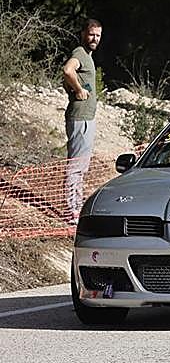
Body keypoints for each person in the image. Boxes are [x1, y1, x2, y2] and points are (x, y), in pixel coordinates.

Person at [62, 19, 102, 223]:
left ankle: (75, 205)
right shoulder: (79, 53)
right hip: (80, 117)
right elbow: (67, 70)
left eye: (98, 35)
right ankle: (71, 210)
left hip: (86, 117)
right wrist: (78, 90)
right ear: (83, 34)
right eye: (91, 34)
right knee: (76, 165)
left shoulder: (88, 56)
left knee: (81, 165)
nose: (94, 38)